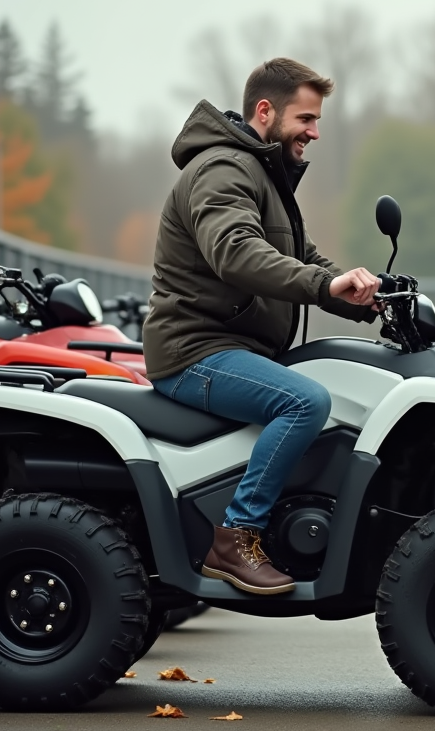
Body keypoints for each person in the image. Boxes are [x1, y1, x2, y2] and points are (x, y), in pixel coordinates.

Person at [141, 58, 380, 596]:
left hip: (234, 346)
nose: (315, 132)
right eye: (306, 119)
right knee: (306, 402)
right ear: (265, 112)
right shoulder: (223, 169)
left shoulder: (262, 175)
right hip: (194, 352)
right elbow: (237, 252)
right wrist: (324, 288)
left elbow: (305, 259)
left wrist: (365, 296)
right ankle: (235, 536)